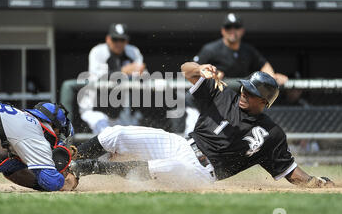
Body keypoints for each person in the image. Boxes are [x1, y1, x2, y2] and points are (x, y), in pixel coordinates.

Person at [68, 66, 335, 189]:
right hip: (182, 143)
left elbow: (289, 171)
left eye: (251, 92)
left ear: (264, 102)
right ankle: (70, 161)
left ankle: (86, 169)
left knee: (167, 169)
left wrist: (319, 183)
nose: (244, 92)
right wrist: (200, 67)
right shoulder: (224, 94)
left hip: (202, 172)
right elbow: (186, 70)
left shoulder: (271, 134)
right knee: (115, 134)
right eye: (245, 86)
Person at [184, 13, 288, 136]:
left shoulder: (247, 50)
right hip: (203, 103)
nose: (233, 31)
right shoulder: (211, 49)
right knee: (193, 138)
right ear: (223, 31)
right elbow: (191, 70)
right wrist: (209, 74)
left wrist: (272, 77)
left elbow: (264, 65)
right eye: (229, 28)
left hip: (227, 105)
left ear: (242, 31)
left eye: (236, 27)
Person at [79, 23, 146, 134]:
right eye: (115, 39)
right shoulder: (98, 52)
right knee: (104, 137)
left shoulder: (133, 52)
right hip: (95, 107)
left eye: (122, 40)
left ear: (126, 41)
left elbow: (140, 76)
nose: (118, 43)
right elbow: (98, 78)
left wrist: (141, 73)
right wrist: (123, 71)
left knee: (131, 138)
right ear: (108, 39)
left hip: (121, 109)